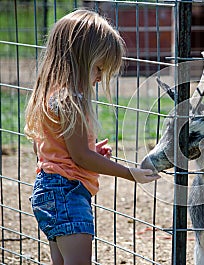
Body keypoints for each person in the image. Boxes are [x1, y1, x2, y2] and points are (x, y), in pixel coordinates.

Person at [24, 9, 160, 265]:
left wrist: (88, 150)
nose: (99, 77)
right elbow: (81, 158)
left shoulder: (48, 94)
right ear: (80, 58)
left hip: (49, 190)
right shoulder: (69, 100)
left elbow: (43, 148)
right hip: (68, 194)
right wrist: (130, 173)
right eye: (98, 68)